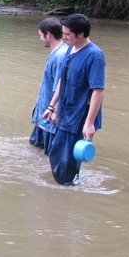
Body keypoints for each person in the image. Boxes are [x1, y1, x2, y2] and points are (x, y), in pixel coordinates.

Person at [42, 13, 105, 185]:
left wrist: (89, 123)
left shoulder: (95, 56)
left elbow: (97, 91)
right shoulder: (70, 50)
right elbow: (63, 80)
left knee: (68, 157)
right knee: (56, 151)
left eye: (67, 34)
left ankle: (68, 188)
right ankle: (64, 186)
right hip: (65, 110)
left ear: (81, 34)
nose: (64, 37)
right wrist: (52, 106)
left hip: (80, 114)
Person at [29, 18, 69, 153]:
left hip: (50, 117)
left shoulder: (61, 56)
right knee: (35, 150)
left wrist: (54, 111)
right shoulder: (58, 53)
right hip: (44, 113)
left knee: (49, 154)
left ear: (48, 34)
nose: (40, 39)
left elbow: (62, 87)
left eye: (41, 35)